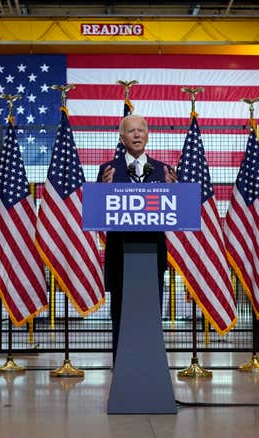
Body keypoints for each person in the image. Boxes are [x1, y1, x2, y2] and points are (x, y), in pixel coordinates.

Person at [96, 114, 177, 363]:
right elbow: (98, 214)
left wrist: (172, 190)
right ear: (122, 138)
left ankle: (150, 362)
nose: (137, 134)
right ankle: (122, 362)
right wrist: (103, 189)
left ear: (148, 134)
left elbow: (174, 213)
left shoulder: (164, 170)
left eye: (141, 130)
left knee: (151, 312)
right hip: (120, 256)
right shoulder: (108, 170)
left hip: (152, 256)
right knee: (120, 311)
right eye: (131, 131)